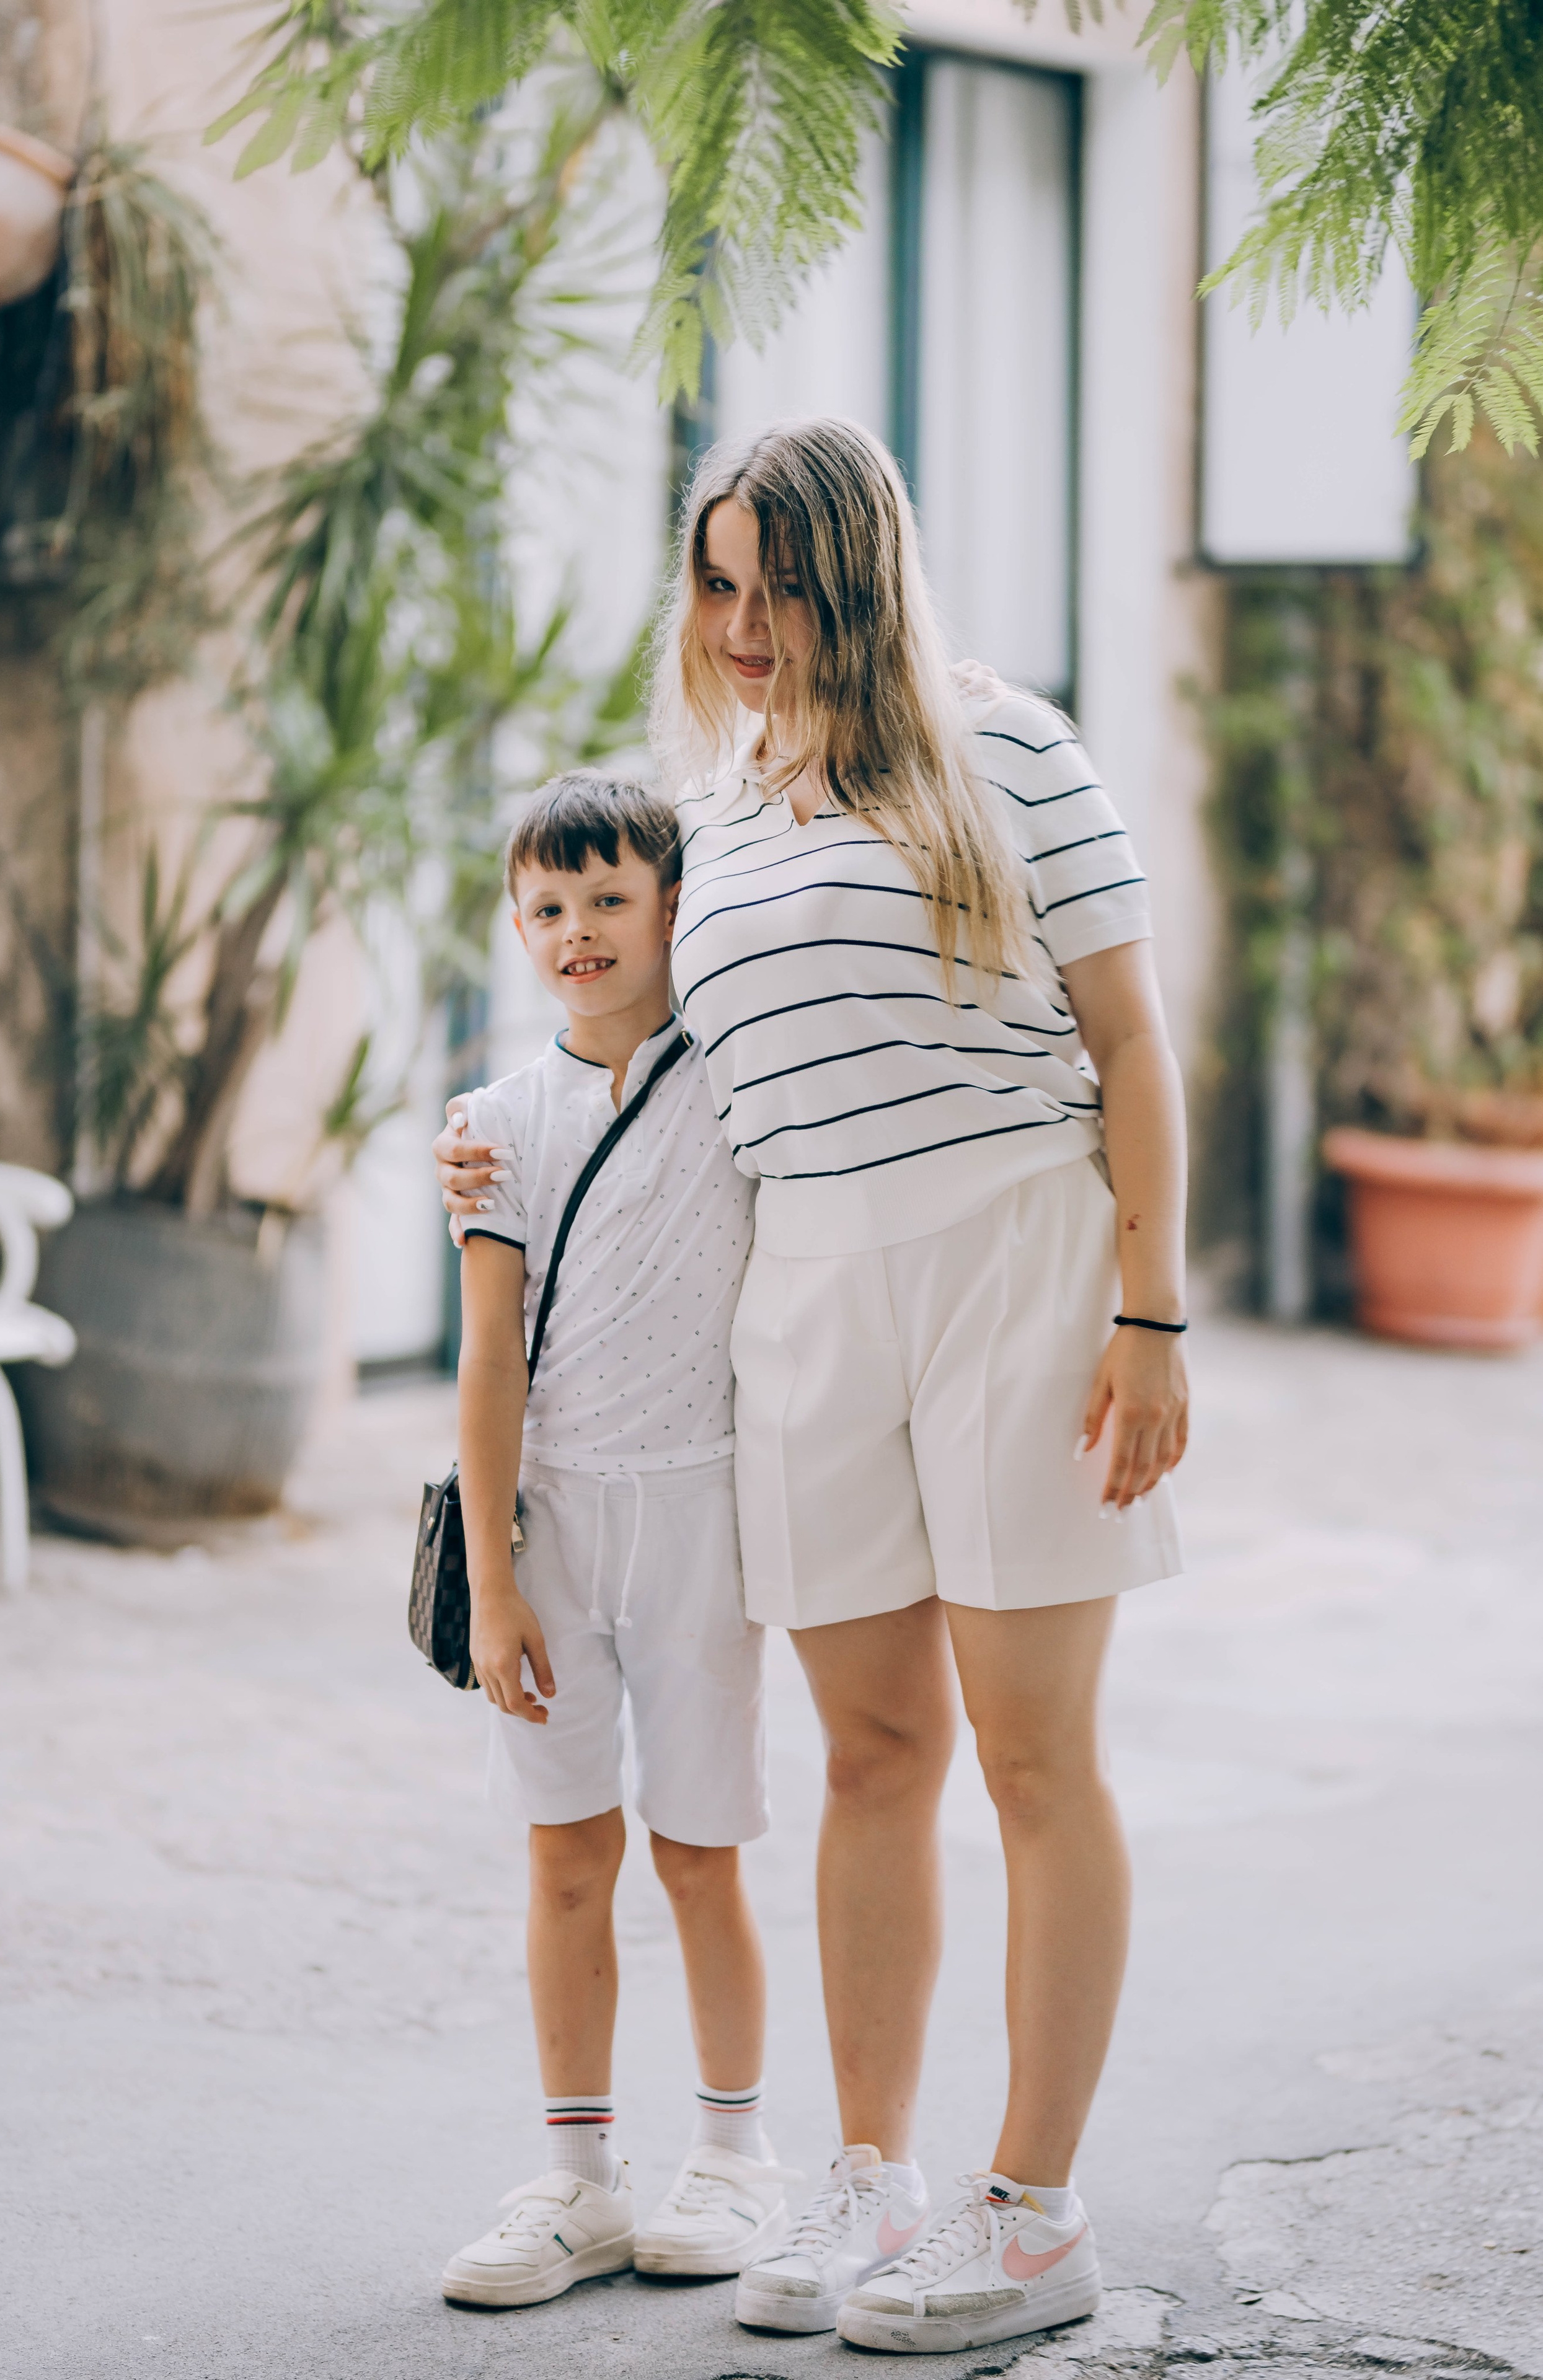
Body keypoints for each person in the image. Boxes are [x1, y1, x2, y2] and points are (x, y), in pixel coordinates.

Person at [440, 416, 1190, 2357]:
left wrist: (1151, 1312)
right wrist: (485, 1150)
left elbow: (1131, 1035)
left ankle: (1033, 2213)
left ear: (861, 571)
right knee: (870, 1757)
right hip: (807, 1292)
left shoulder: (1006, 745)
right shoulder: (721, 813)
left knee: (1033, 1758)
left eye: (782, 579)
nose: (746, 619)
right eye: (717, 581)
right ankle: (869, 2175)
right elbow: (622, 1031)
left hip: (1015, 1250)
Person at [438, 772, 795, 2312]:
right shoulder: (497, 1125)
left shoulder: (738, 1083)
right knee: (566, 1853)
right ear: (515, 926)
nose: (576, 932)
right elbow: (489, 1354)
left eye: (607, 901)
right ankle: (576, 2178)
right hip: (557, 1525)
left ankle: (734, 2156)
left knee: (699, 1851)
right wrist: (499, 1585)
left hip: (705, 1511)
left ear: (669, 905)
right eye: (545, 908)